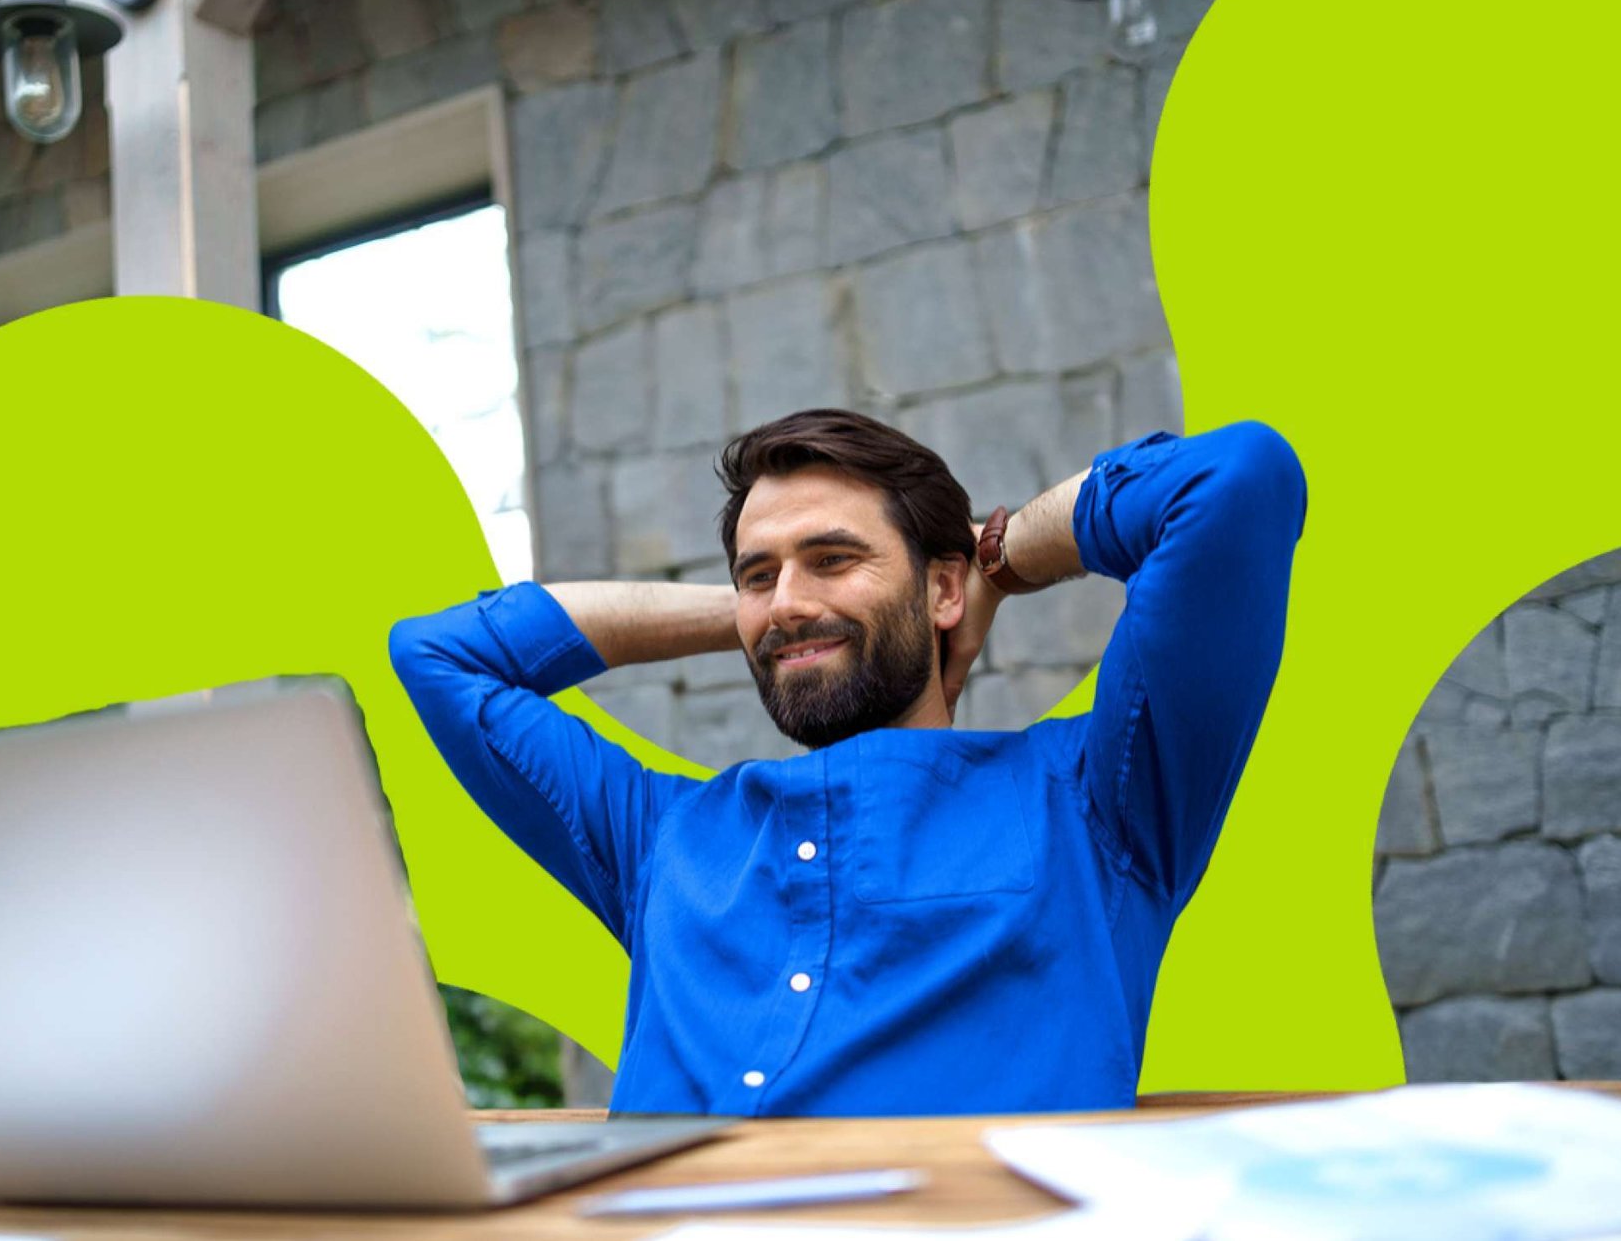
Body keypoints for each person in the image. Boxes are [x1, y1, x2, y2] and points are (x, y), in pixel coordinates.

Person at [389, 409, 1306, 1116]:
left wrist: (997, 560)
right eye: (758, 572)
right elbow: (437, 654)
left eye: (833, 558)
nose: (787, 598)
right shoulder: (660, 836)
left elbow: (1233, 480)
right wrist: (764, 616)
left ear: (940, 587)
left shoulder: (1096, 804)